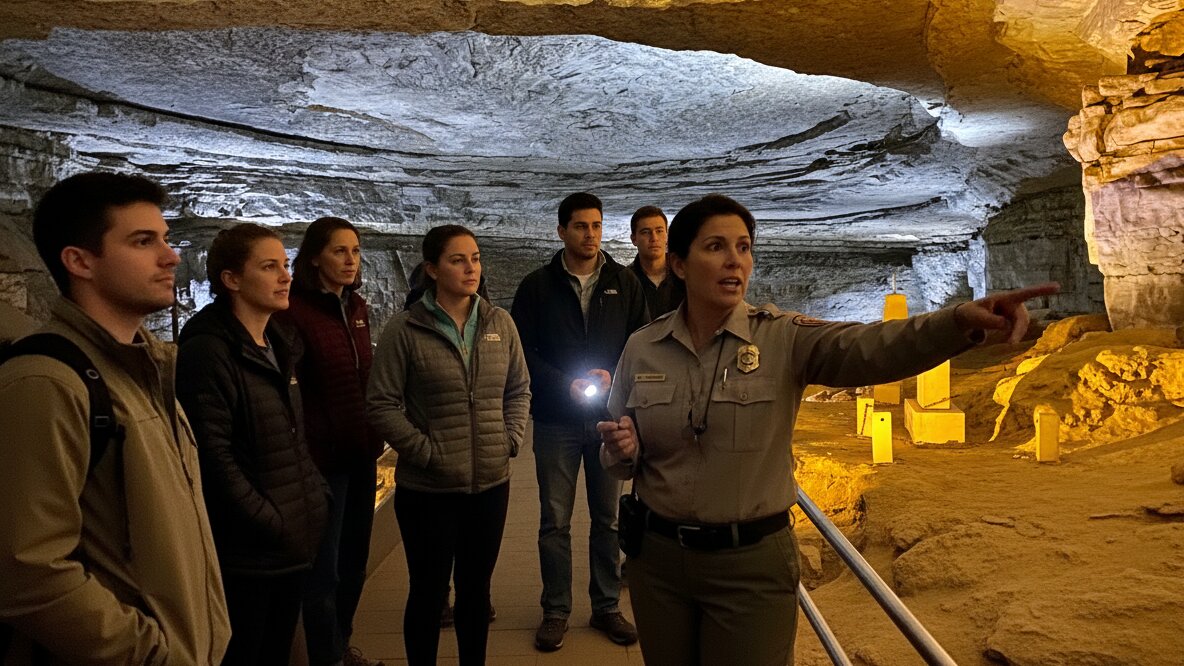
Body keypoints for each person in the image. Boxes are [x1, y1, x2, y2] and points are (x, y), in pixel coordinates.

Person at [597, 194, 1060, 664]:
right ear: (678, 264)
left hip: (748, 566)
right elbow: (618, 455)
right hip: (657, 563)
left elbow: (871, 347)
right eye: (715, 247)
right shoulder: (643, 348)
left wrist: (957, 322)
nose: (735, 260)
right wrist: (623, 450)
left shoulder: (782, 337)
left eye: (744, 247)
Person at [0, 172, 231, 664]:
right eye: (143, 241)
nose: (170, 256)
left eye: (165, 240)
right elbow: (28, 570)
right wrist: (152, 654)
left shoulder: (144, 370)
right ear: (79, 261)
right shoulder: (46, 382)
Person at [368, 224, 530, 665]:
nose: (470, 268)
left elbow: (518, 390)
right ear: (432, 269)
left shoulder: (500, 324)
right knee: (427, 591)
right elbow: (381, 404)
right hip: (430, 492)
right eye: (458, 260)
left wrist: (510, 440)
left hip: (490, 485)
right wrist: (426, 452)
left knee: (476, 592)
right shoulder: (405, 330)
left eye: (475, 258)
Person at [176, 223, 329, 665]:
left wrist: (314, 499)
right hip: (250, 551)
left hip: (288, 538)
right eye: (270, 267)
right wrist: (271, 520)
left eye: (285, 265)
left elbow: (293, 436)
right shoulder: (209, 352)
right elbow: (213, 455)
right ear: (232, 279)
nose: (286, 276)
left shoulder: (278, 344)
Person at [510, 192, 648, 651]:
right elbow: (523, 353)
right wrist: (562, 384)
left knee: (608, 518)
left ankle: (607, 606)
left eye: (596, 225)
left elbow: (641, 343)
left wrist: (615, 376)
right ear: (561, 231)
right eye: (581, 226)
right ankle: (556, 609)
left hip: (608, 419)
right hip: (555, 421)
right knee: (554, 519)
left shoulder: (623, 283)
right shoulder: (536, 287)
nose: (590, 234)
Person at [277, 217, 385, 666]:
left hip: (360, 454)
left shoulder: (356, 308)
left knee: (354, 565)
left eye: (356, 251)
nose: (350, 260)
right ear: (315, 257)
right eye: (340, 251)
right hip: (321, 461)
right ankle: (327, 657)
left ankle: (340, 645)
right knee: (324, 572)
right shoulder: (294, 313)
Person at [628, 205, 685, 318]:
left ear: (667, 236)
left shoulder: (685, 275)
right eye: (645, 232)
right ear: (634, 239)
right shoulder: (626, 280)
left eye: (659, 231)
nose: (654, 238)